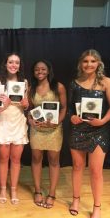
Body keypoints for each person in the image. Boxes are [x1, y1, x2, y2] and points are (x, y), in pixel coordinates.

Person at [68, 49, 110, 218]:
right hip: (78, 130)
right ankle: (75, 200)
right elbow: (71, 108)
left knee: (96, 171)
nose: (89, 64)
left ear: (98, 63)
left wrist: (102, 121)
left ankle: (97, 207)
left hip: (99, 130)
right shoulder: (74, 83)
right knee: (77, 167)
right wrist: (72, 116)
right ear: (81, 63)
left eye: (93, 61)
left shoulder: (107, 82)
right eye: (85, 61)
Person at [28, 59, 67, 208]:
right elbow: (29, 110)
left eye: (43, 69)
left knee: (53, 161)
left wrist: (58, 121)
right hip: (37, 130)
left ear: (48, 70)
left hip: (54, 130)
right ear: (33, 72)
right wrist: (30, 120)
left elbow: (63, 108)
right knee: (36, 159)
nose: (40, 72)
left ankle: (52, 193)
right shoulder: (31, 88)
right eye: (37, 69)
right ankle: (37, 191)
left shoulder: (58, 87)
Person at [0, 53, 29, 205]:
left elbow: (26, 106)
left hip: (18, 123)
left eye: (17, 62)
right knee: (3, 159)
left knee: (16, 160)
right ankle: (2, 188)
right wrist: (7, 104)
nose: (14, 65)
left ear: (20, 65)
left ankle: (13, 189)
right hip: (3, 122)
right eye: (11, 62)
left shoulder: (25, 82)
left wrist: (26, 104)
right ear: (6, 64)